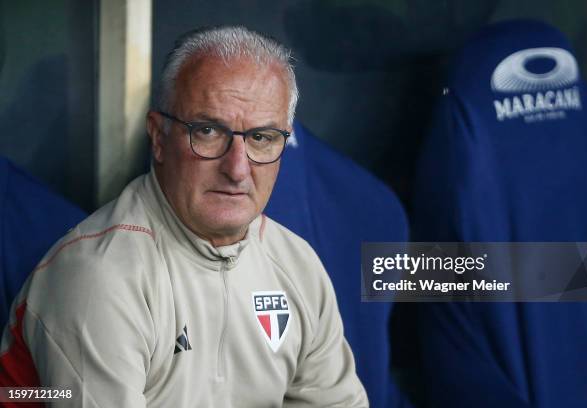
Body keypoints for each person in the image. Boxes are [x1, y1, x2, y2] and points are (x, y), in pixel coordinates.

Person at [0, 26, 368, 407]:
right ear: (158, 138)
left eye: (261, 137)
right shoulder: (99, 276)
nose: (238, 168)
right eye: (208, 131)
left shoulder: (297, 265)